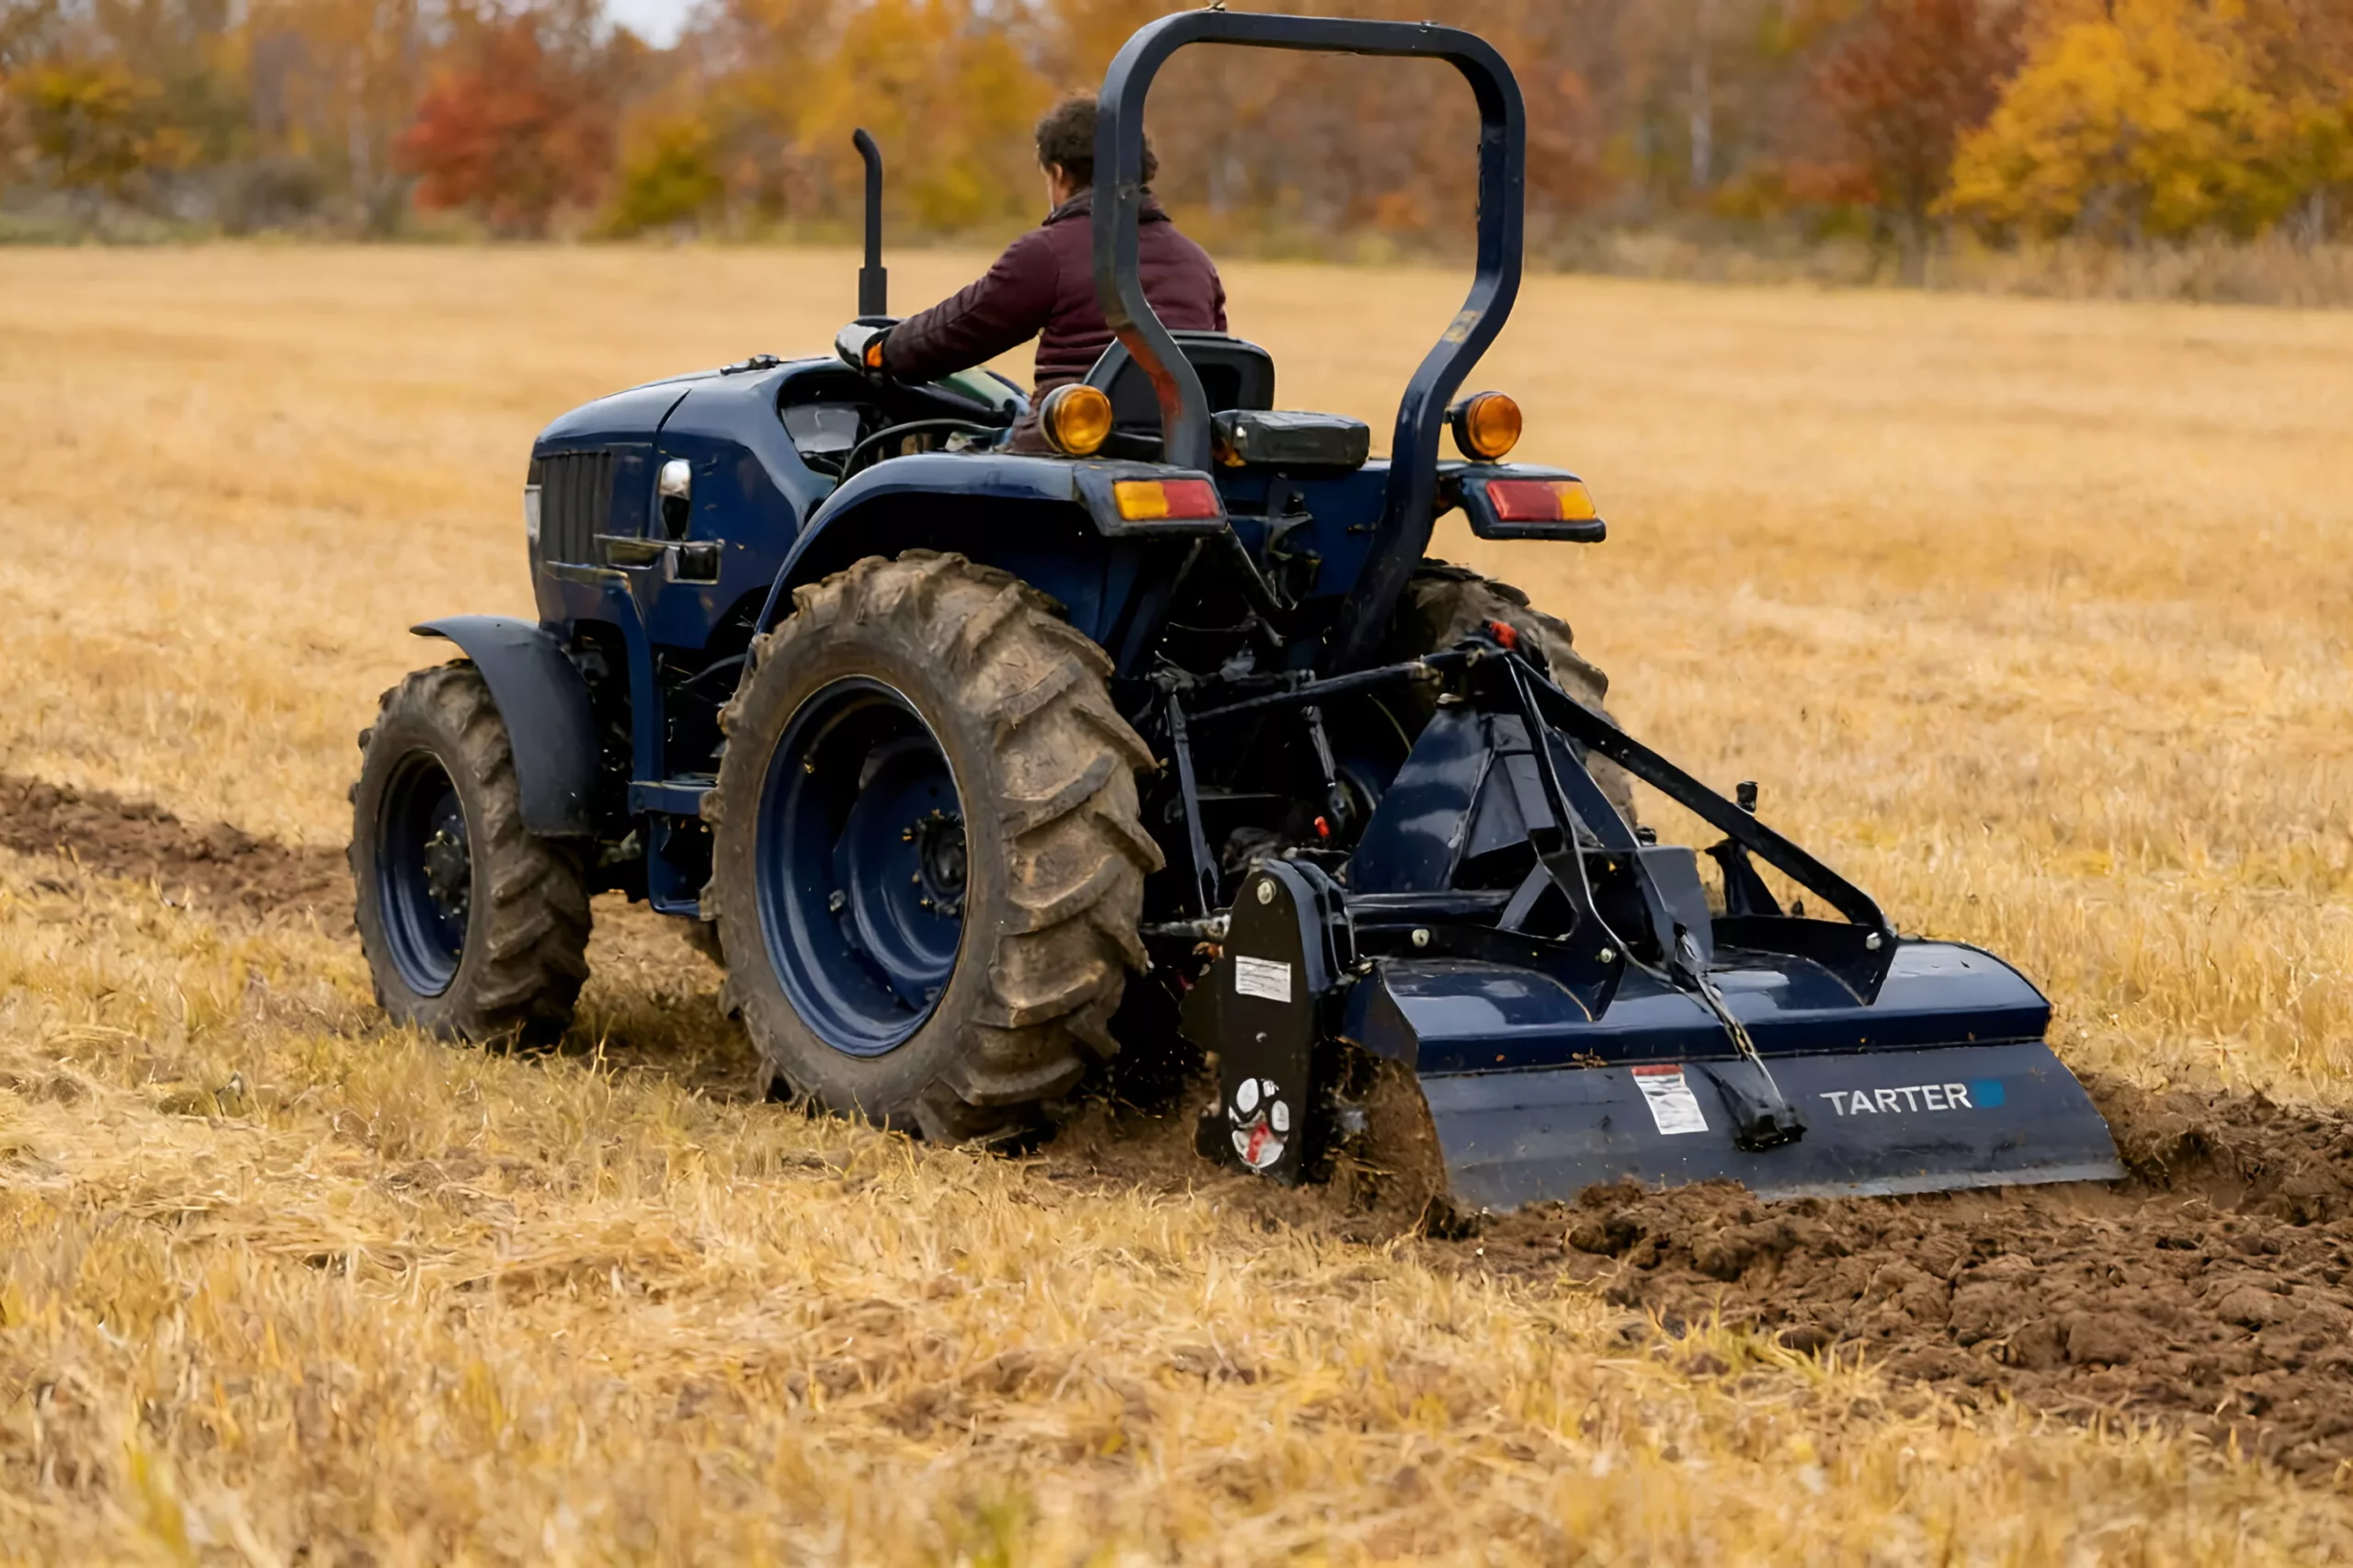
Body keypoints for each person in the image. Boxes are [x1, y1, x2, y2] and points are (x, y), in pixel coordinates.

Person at [861, 96, 1226, 449]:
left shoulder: (1050, 252)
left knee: (939, 463)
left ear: (1058, 172)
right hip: (1178, 455)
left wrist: (881, 349)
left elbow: (957, 331)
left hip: (1070, 450)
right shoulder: (1197, 262)